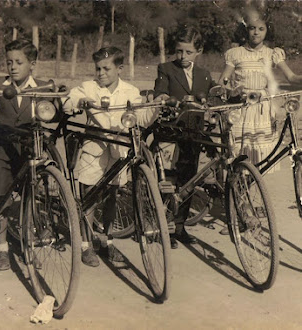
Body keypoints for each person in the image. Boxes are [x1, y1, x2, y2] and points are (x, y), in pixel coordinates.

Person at [63, 46, 160, 267]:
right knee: (90, 196)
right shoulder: (89, 87)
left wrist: (155, 106)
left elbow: (142, 118)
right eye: (97, 69)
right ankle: (86, 245)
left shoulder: (130, 92)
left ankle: (107, 241)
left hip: (119, 151)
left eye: (106, 68)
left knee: (111, 197)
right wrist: (81, 102)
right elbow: (69, 101)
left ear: (120, 68)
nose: (101, 73)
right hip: (94, 149)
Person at [0, 39, 56, 271]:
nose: (13, 66)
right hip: (3, 149)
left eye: (19, 62)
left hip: (29, 150)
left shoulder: (42, 86)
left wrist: (59, 104)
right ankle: (2, 249)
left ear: (32, 64)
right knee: (2, 198)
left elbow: (52, 111)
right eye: (9, 62)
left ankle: (28, 245)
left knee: (30, 197)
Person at [154, 26, 217, 249]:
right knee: (170, 181)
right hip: (171, 133)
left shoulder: (204, 74)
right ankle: (166, 227)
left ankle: (180, 227)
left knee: (189, 180)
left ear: (198, 51)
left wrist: (227, 93)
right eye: (179, 51)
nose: (182, 57)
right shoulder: (166, 69)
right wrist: (163, 97)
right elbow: (160, 90)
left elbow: (214, 92)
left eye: (188, 52)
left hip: (194, 134)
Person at [218, 7, 302, 168]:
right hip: (242, 109)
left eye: (261, 29)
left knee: (260, 163)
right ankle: (238, 189)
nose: (256, 33)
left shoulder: (272, 54)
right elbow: (223, 80)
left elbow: (291, 77)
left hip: (263, 109)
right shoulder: (235, 53)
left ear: (267, 31)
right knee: (239, 159)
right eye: (252, 28)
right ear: (246, 30)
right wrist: (232, 90)